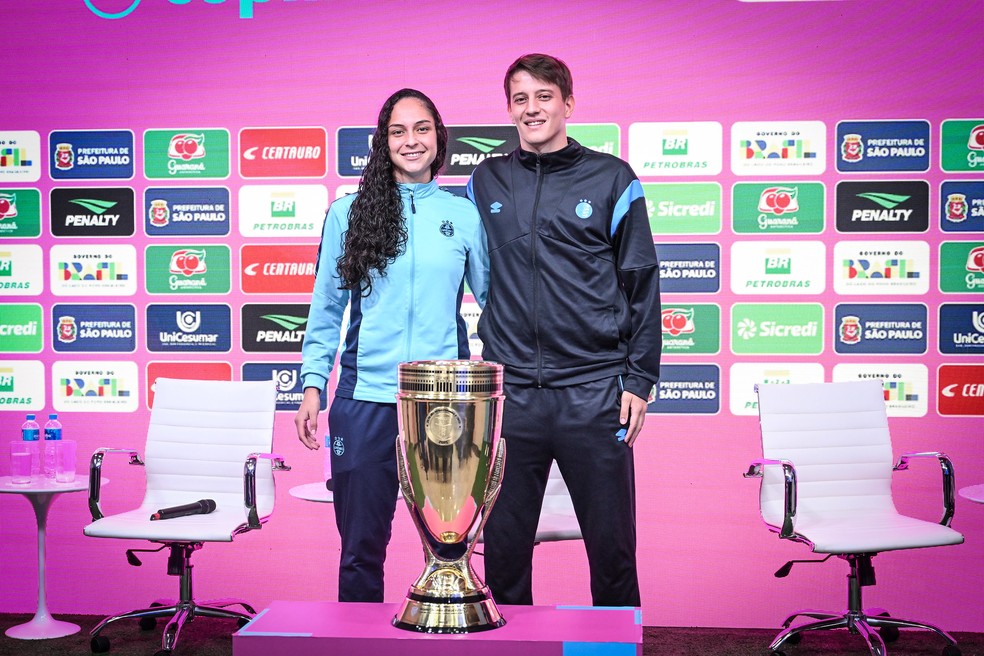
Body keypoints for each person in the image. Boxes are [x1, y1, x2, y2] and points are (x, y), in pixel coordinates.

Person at [466, 54, 661, 607]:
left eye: (544, 96)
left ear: (568, 103)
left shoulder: (612, 177)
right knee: (502, 552)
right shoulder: (487, 179)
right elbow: (463, 260)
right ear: (509, 109)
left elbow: (642, 282)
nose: (533, 109)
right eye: (521, 99)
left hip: (595, 393)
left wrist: (639, 380)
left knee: (613, 549)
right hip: (513, 395)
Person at [296, 88, 488, 603]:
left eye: (422, 128)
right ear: (383, 141)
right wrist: (313, 384)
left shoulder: (464, 215)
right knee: (360, 548)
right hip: (365, 399)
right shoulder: (348, 213)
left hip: (444, 400)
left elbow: (495, 304)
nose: (411, 140)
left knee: (451, 550)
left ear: (439, 137)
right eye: (398, 131)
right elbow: (327, 307)